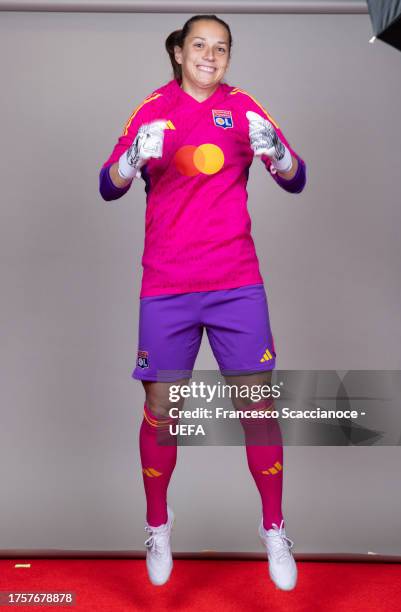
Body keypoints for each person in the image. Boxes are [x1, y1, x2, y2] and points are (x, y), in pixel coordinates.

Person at [99, 14, 306, 591]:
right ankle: (158, 526)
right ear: (178, 52)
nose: (210, 56)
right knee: (163, 410)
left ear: (228, 58)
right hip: (166, 286)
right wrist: (128, 161)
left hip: (236, 283)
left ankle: (274, 530)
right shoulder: (150, 109)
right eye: (200, 46)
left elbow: (297, 178)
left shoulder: (244, 110)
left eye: (221, 48)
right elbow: (107, 185)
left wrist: (281, 157)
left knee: (257, 406)